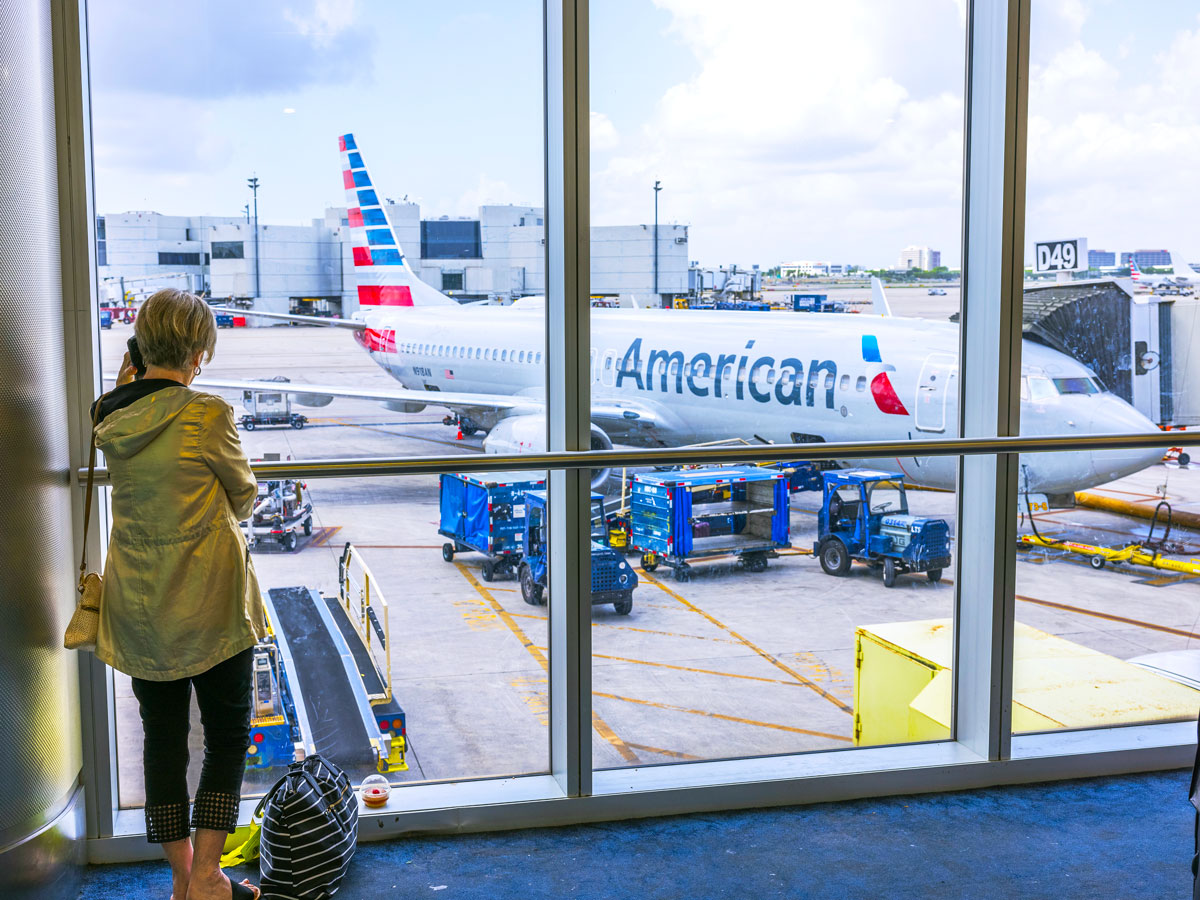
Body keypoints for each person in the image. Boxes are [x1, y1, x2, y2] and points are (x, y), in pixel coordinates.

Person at [93, 288, 266, 900]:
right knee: (225, 737)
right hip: (211, 603)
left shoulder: (109, 418)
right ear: (198, 348)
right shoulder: (205, 415)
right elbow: (243, 496)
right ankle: (209, 878)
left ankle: (181, 876)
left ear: (140, 347)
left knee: (161, 739)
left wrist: (128, 378)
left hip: (140, 605)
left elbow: (121, 404)